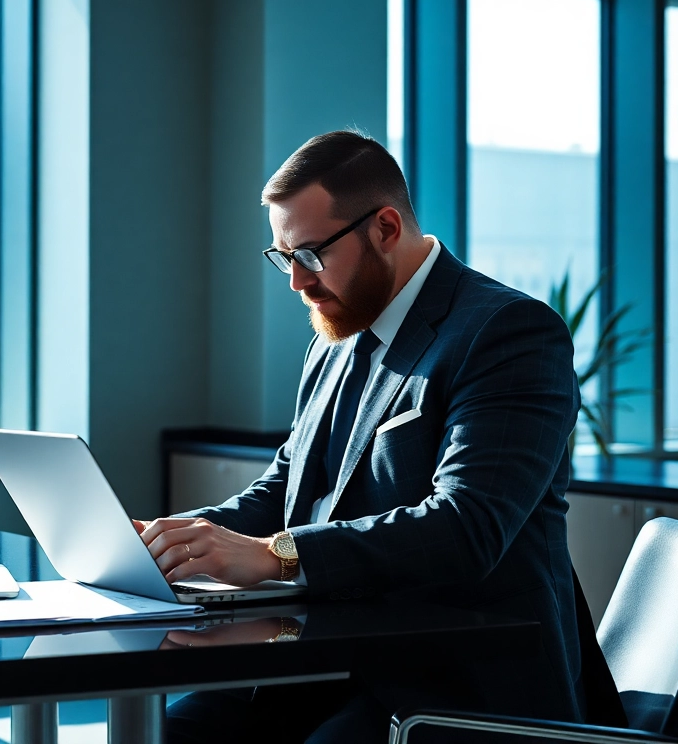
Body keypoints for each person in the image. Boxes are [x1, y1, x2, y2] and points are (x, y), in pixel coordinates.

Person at [135, 130, 620, 742]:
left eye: (309, 255)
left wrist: (277, 555)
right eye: (283, 257)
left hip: (457, 684)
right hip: (329, 660)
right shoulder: (335, 337)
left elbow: (468, 526)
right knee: (173, 731)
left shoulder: (507, 332)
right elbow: (289, 485)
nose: (296, 282)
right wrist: (178, 539)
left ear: (385, 228)